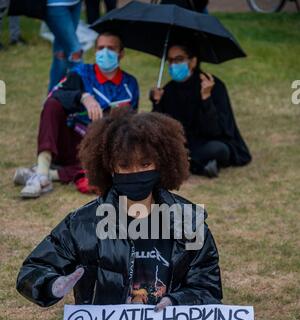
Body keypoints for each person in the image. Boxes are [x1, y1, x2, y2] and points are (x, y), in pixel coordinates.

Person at [16, 109, 223, 320]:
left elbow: (207, 288)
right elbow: (33, 270)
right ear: (110, 168)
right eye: (125, 166)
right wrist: (53, 285)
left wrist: (176, 301)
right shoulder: (84, 223)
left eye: (145, 164)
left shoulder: (187, 221)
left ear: (162, 164)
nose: (135, 173)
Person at [13, 31, 139, 198]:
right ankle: (42, 171)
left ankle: (44, 175)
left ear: (121, 53)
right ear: (95, 51)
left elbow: (130, 126)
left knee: (114, 164)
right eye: (101, 48)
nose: (105, 52)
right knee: (53, 105)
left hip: (100, 147)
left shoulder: (130, 84)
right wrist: (83, 97)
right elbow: (55, 95)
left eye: (111, 48)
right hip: (70, 140)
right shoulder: (81, 72)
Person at [150, 43, 252, 177]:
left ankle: (185, 164)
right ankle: (199, 166)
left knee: (218, 149)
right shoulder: (168, 90)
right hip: (180, 145)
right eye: (170, 60)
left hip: (208, 143)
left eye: (179, 59)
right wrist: (157, 103)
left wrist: (206, 98)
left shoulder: (214, 86)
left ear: (193, 61)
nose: (173, 64)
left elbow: (215, 131)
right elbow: (159, 130)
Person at [45, 0, 83, 91]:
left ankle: (52, 98)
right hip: (55, 4)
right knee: (75, 51)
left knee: (61, 52)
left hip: (76, 3)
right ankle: (85, 93)